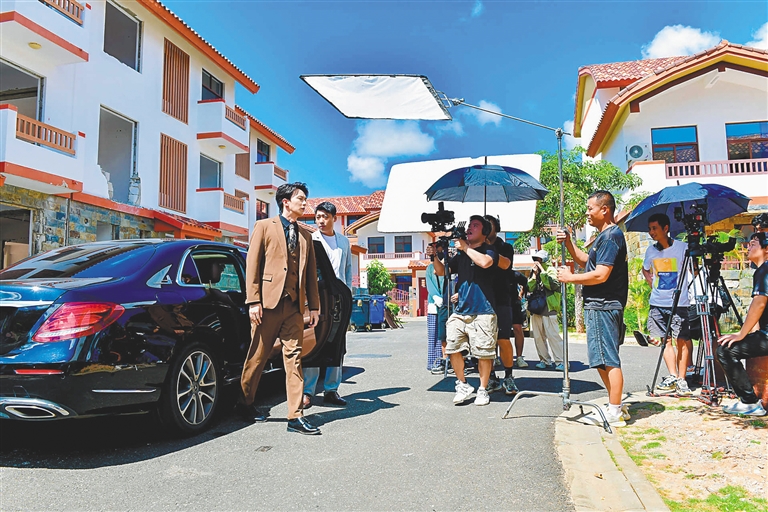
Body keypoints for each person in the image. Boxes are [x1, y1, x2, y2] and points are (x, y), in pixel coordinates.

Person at [240, 182, 321, 435]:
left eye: (305, 199)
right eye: (300, 199)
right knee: (258, 357)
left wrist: (314, 307)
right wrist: (253, 301)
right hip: (267, 305)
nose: (305, 203)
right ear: (286, 202)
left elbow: (311, 276)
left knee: (294, 358)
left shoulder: (306, 236)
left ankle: (295, 416)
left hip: (294, 308)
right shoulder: (264, 226)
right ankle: (245, 402)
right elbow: (253, 265)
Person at [557, 190, 629, 427]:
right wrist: (569, 242)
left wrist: (570, 278)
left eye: (590, 208)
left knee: (609, 360)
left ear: (604, 209)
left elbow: (600, 274)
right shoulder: (604, 237)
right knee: (601, 360)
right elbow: (586, 261)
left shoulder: (610, 237)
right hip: (599, 305)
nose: (587, 213)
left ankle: (615, 412)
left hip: (603, 305)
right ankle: (615, 404)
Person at [429, 215, 509, 406]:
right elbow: (441, 272)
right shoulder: (461, 254)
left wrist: (465, 247)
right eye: (469, 225)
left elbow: (485, 262)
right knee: (452, 346)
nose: (469, 228)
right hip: (461, 310)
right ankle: (463, 384)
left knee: (484, 353)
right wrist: (434, 257)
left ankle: (482, 389)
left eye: (475, 225)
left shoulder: (489, 249)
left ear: (484, 232)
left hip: (484, 310)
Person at [304, 201, 352, 408]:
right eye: (318, 217)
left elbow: (347, 270)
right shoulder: (310, 240)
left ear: (334, 218)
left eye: (325, 217)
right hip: (317, 298)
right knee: (314, 342)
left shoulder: (344, 242)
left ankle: (332, 389)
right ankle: (308, 391)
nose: (321, 221)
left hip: (338, 298)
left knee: (336, 343)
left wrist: (347, 295)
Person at [716, 232, 768, 416]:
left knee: (725, 350)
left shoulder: (764, 269)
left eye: (753, 244)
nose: (748, 247)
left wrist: (741, 334)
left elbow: (759, 303)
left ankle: (750, 402)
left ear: (766, 249)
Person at [641, 213, 693, 395]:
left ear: (666, 228)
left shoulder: (682, 248)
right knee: (664, 340)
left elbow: (693, 270)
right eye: (649, 229)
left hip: (679, 303)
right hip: (657, 303)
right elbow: (645, 269)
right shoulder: (651, 251)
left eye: (655, 228)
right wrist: (652, 284)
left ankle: (682, 379)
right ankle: (672, 375)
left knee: (682, 340)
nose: (651, 232)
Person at [483, 215, 518, 395]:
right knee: (486, 342)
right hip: (483, 299)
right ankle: (491, 378)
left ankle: (509, 376)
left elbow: (506, 266)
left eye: (488, 225)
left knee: (503, 339)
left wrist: (488, 248)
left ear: (496, 228)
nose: (485, 228)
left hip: (503, 298)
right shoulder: (477, 248)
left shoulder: (505, 247)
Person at [528, 250, 565, 370]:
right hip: (536, 308)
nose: (536, 262)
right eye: (535, 259)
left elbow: (552, 285)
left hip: (549, 308)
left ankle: (561, 361)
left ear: (544, 260)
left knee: (553, 336)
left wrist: (542, 271)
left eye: (538, 259)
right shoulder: (534, 272)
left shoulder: (551, 270)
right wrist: (534, 275)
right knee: (538, 337)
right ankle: (544, 360)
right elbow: (530, 287)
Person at [426, 244, 449, 374]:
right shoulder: (430, 268)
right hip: (435, 307)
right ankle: (434, 362)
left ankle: (447, 361)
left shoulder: (448, 267)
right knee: (434, 337)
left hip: (448, 307)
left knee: (446, 336)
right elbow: (430, 287)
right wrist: (439, 300)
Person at [511, 270, 529, 368]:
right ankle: (495, 357)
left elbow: (525, 282)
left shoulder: (515, 274)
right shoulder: (494, 272)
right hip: (498, 304)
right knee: (496, 330)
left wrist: (521, 294)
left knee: (518, 328)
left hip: (514, 304)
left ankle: (519, 357)